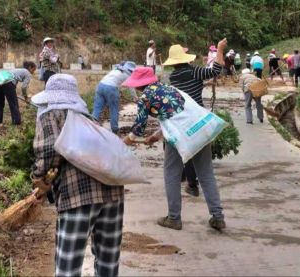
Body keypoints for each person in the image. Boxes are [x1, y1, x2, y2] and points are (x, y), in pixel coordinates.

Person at [31, 74, 124, 277]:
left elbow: (48, 150)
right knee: (108, 260)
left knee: (68, 265)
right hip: (113, 191)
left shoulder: (50, 114)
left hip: (78, 195)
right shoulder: (87, 117)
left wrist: (38, 179)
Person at [123, 67, 226, 232]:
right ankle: (218, 217)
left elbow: (137, 131)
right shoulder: (170, 88)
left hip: (182, 135)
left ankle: (174, 218)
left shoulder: (145, 97)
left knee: (171, 173)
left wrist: (120, 144)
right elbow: (176, 115)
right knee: (206, 174)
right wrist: (156, 136)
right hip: (201, 127)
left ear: (137, 85)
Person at [163, 39, 226, 198]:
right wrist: (219, 49)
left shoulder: (173, 77)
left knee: (183, 150)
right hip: (197, 117)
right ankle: (193, 184)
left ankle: (186, 179)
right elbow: (216, 69)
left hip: (180, 119)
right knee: (196, 154)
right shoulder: (194, 71)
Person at [92, 61, 137, 133]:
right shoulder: (128, 74)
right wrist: (135, 98)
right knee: (114, 108)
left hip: (100, 85)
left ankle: (92, 125)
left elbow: (115, 81)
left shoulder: (116, 70)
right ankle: (114, 128)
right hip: (111, 88)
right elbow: (131, 88)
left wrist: (118, 90)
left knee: (97, 107)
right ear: (131, 70)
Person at [0, 61, 36, 131]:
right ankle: (16, 124)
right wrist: (26, 97)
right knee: (14, 104)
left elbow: (13, 80)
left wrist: (12, 90)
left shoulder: (18, 70)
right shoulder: (28, 73)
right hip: (8, 82)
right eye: (33, 70)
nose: (33, 72)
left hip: (0, 80)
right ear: (30, 68)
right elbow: (24, 87)